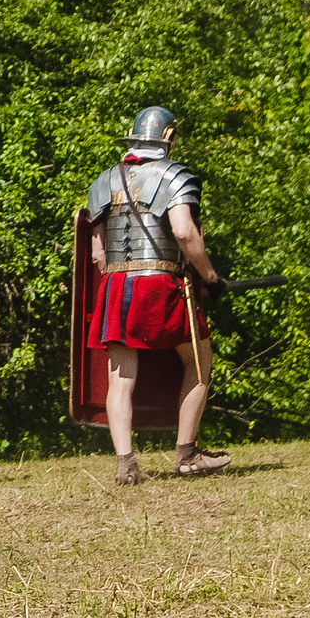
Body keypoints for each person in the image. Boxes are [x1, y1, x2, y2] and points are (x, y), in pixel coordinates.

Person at [83, 107, 229, 485]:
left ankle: (126, 464)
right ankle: (187, 454)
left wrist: (120, 280)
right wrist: (210, 278)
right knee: (199, 360)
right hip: (160, 284)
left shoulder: (104, 181)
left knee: (121, 378)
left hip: (115, 285)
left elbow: (98, 253)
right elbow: (183, 232)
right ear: (168, 138)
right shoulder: (175, 175)